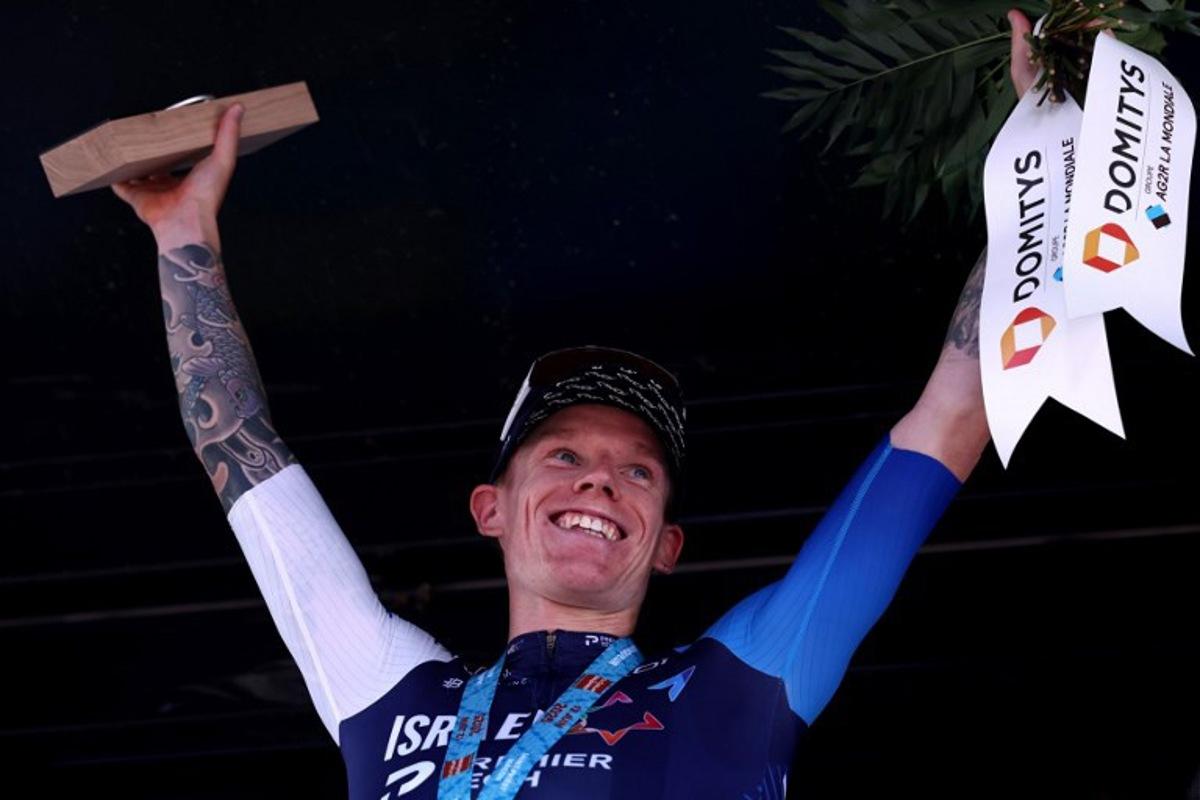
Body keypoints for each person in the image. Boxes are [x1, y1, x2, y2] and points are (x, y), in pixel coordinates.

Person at [112, 12, 1040, 799]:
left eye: (638, 471)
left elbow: (951, 416)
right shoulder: (390, 693)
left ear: (666, 543)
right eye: (563, 455)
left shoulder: (741, 688)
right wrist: (184, 234)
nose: (600, 480)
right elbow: (242, 452)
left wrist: (1046, 153)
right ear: (491, 507)